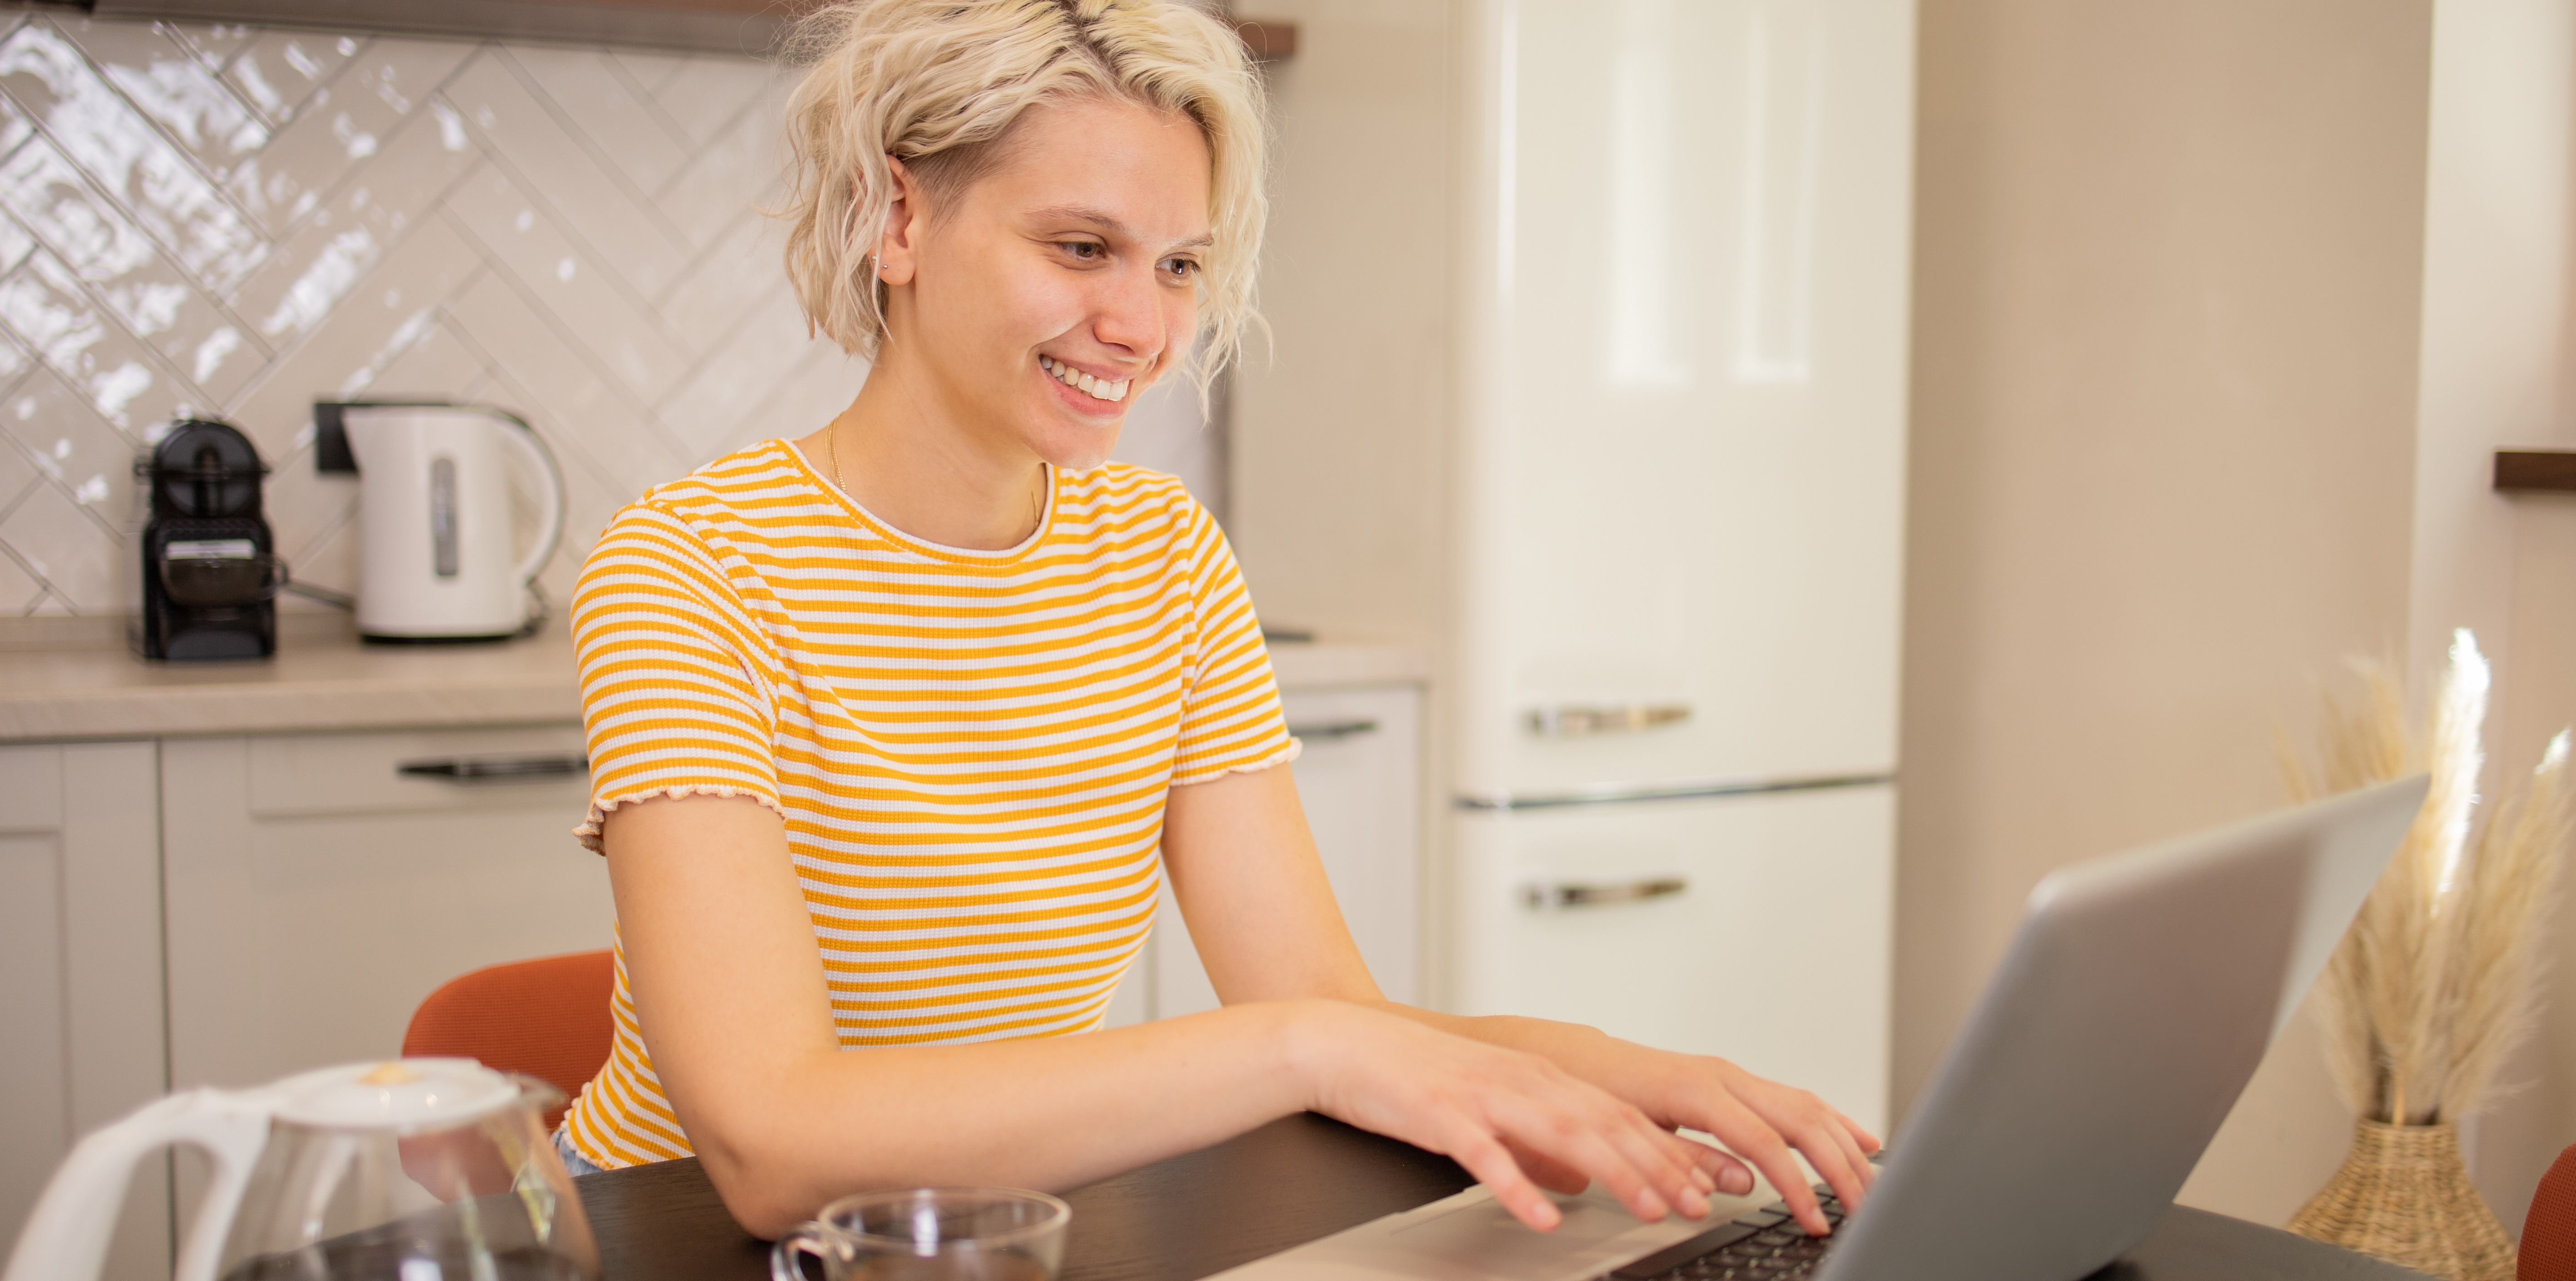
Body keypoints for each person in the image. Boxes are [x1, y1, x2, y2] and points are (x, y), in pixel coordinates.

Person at [558, 0, 1880, 1240]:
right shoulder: (688, 569)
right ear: (898, 218)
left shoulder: (1164, 556)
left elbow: (1326, 1010)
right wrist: (1301, 1048)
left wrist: (1629, 1071)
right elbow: (774, 1144)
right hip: (669, 1243)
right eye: (1081, 247)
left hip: (992, 1235)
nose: (1140, 325)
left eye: (1179, 263)